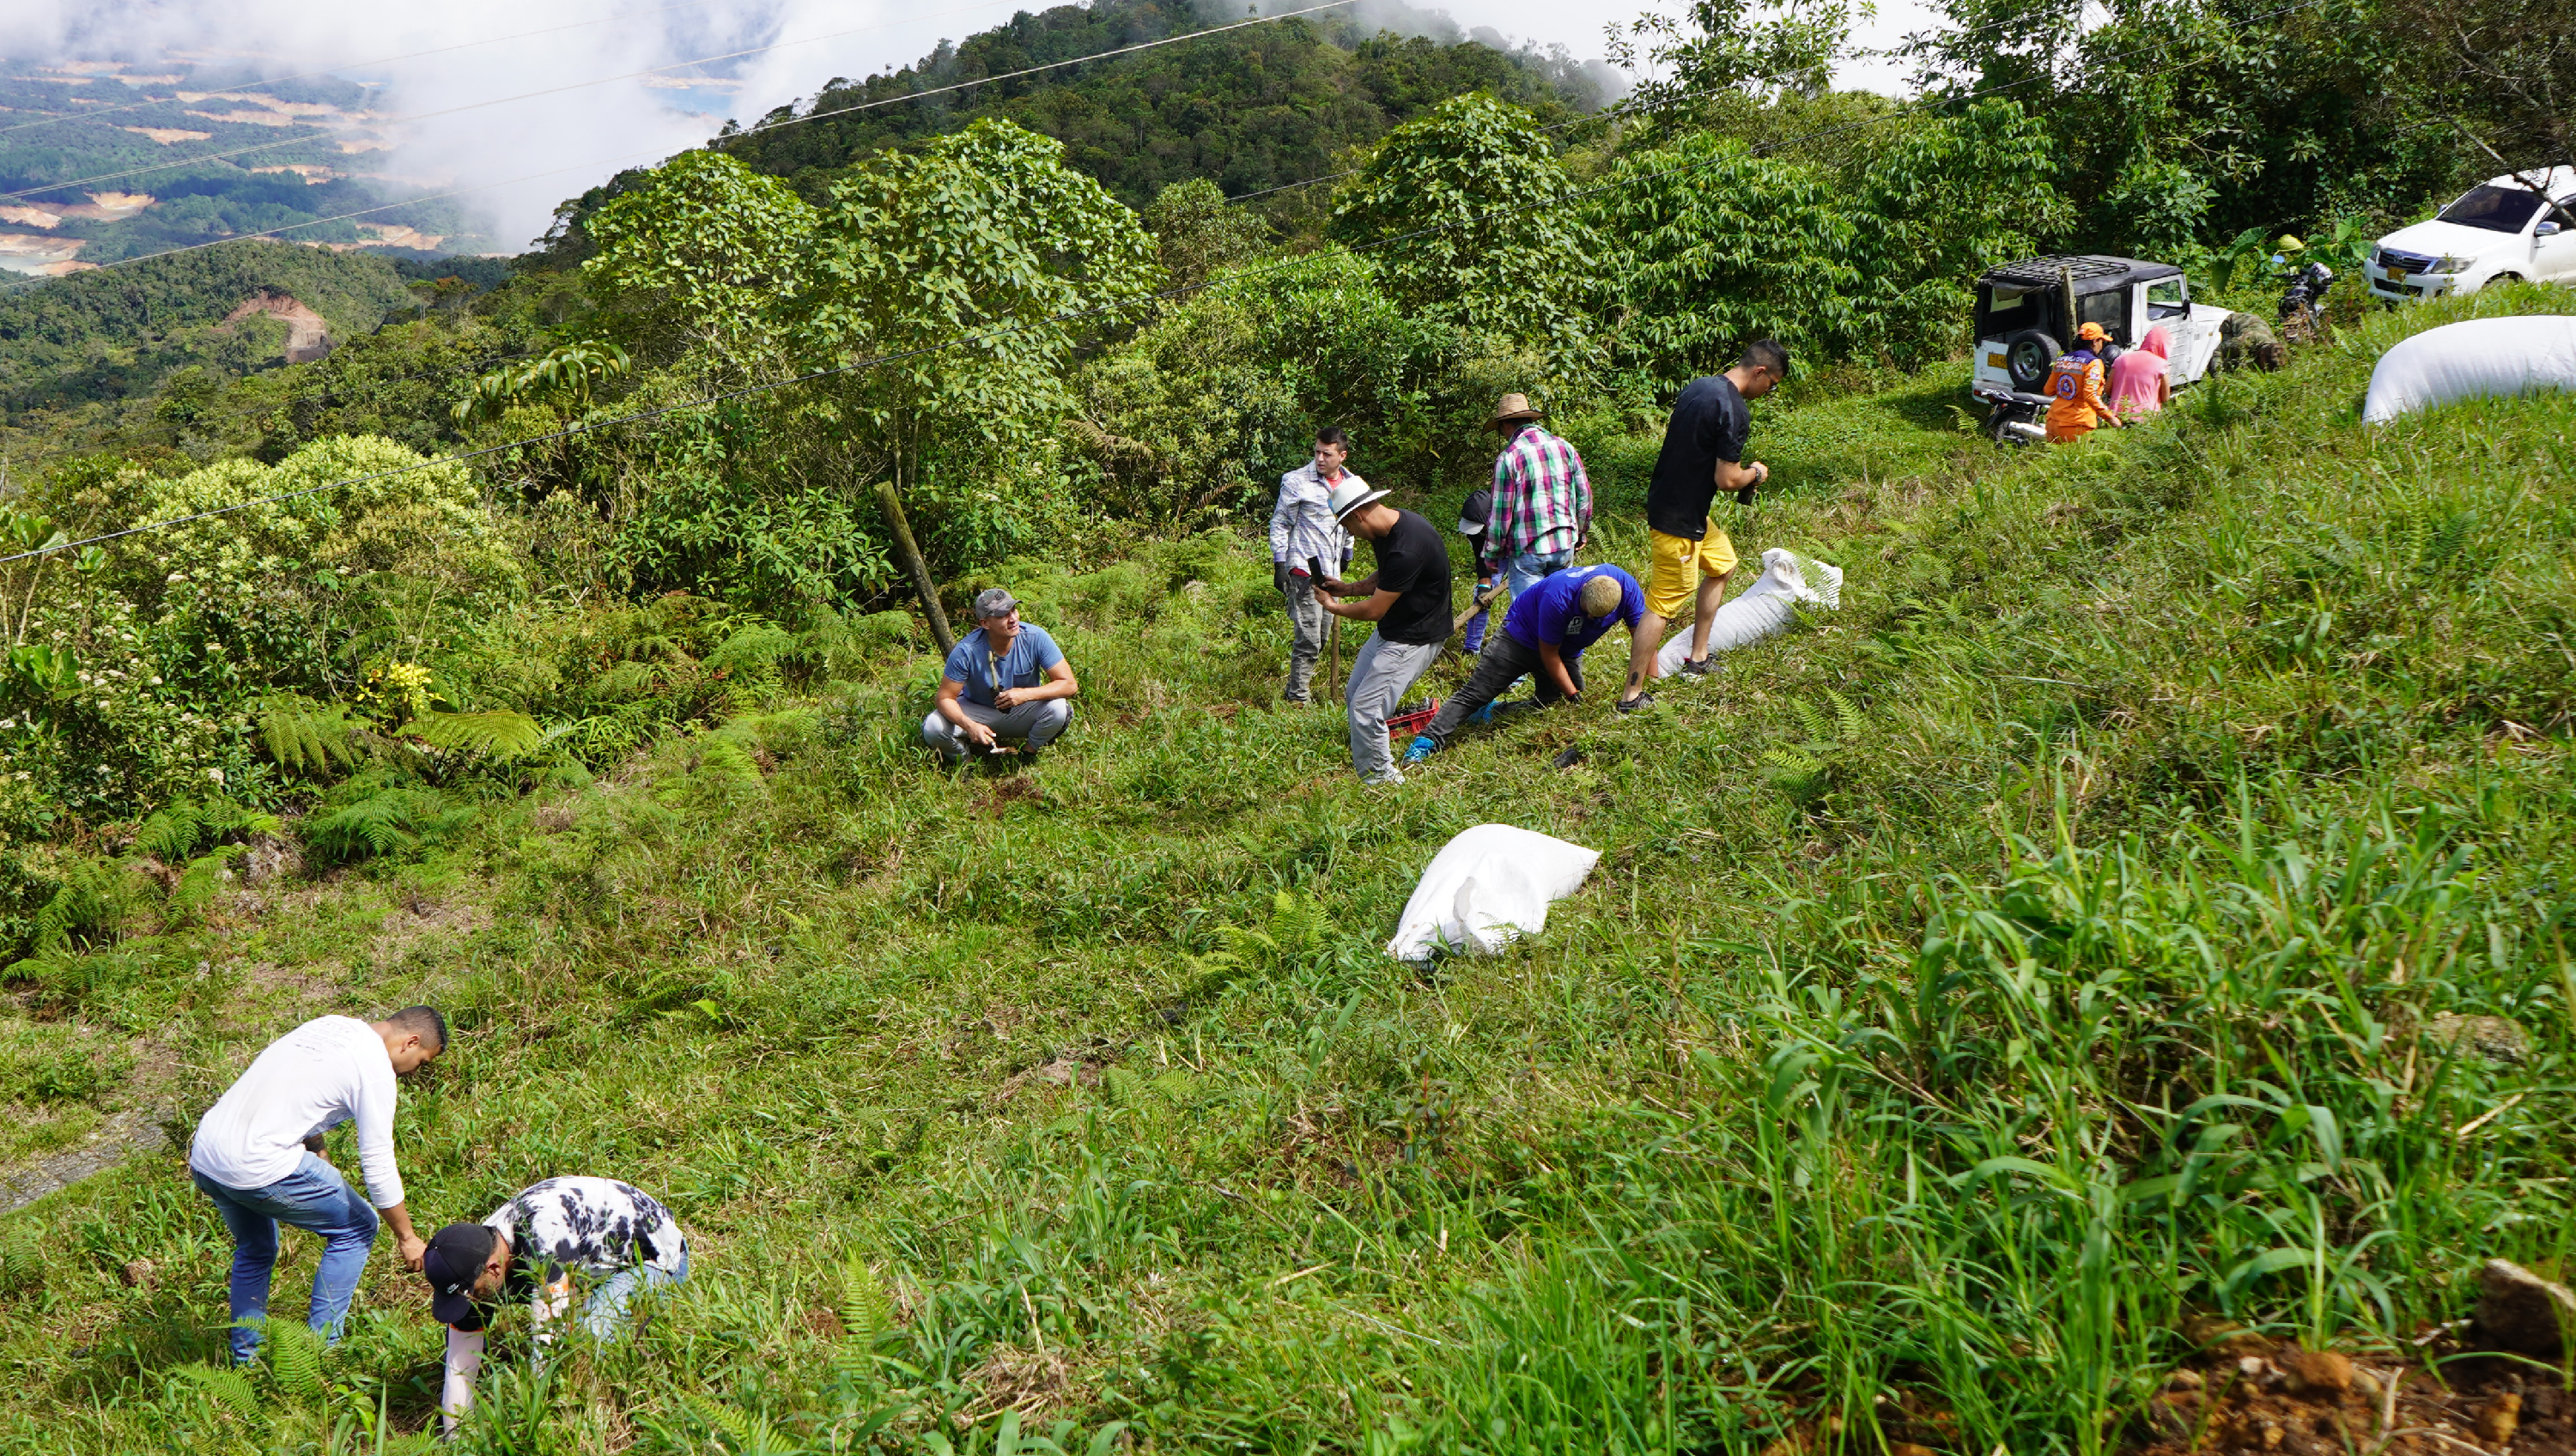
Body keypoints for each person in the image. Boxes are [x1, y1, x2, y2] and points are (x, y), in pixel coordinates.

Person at [187, 1008, 446, 1364]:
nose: (414, 1071)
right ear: (411, 1042)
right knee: (358, 1227)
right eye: (421, 1062)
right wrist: (407, 1237)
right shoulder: (374, 1070)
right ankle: (323, 1354)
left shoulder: (329, 1026)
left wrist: (317, 1148)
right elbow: (377, 1163)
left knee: (256, 1247)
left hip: (207, 1155)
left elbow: (291, 1090)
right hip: (257, 1162)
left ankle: (248, 1361)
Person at [422, 1176, 690, 1435]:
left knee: (587, 1339)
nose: (472, 1301)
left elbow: (548, 1351)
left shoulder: (544, 1237)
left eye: (474, 1293)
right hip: (589, 1251)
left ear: (493, 1268)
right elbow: (459, 1367)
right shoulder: (475, 1256)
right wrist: (456, 1439)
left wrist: (537, 1426)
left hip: (654, 1256)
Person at [1619, 340, 1789, 710]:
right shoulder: (1734, 409)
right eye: (1772, 384)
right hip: (1677, 522)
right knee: (1664, 604)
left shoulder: (1701, 386)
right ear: (1760, 372)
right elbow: (1727, 479)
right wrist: (1755, 473)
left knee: (1724, 565)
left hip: (1682, 507)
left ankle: (1697, 657)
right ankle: (1631, 696)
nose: (1769, 392)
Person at [1401, 564, 1646, 764]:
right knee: (1477, 693)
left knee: (1551, 703)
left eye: (1600, 618)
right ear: (1582, 593)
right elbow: (1548, 654)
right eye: (1589, 614)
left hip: (1566, 649)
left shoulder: (1627, 589)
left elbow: (1644, 639)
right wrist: (1573, 695)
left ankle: (1493, 712)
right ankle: (1427, 741)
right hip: (1519, 640)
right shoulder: (1559, 596)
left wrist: (1653, 682)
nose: (1593, 620)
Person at [1314, 477, 1453, 785]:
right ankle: (1374, 762)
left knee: (1367, 709)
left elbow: (1375, 609)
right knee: (1355, 696)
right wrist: (1347, 589)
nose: (1349, 532)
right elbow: (1387, 577)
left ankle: (1382, 784)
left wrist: (1334, 607)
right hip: (1395, 629)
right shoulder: (1390, 529)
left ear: (1358, 515)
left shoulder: (1408, 547)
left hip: (1415, 636)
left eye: (1347, 525)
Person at [921, 587, 1078, 761]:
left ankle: (1028, 752)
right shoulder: (966, 650)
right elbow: (944, 698)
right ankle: (967, 762)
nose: (1013, 619)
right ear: (985, 624)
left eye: (1013, 610)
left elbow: (1069, 684)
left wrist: (1025, 694)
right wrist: (970, 726)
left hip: (1022, 709)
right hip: (977, 710)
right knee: (933, 727)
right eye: (1002, 615)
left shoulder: (1036, 637)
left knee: (1058, 708)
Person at [1267, 428, 1360, 704]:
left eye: (1327, 454)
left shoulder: (1351, 483)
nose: (1320, 458)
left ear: (1341, 456)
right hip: (1304, 570)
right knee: (1309, 638)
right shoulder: (1296, 481)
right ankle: (1298, 698)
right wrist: (1279, 563)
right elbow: (1281, 522)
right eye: (1317, 451)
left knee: (1323, 634)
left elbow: (1353, 521)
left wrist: (1347, 552)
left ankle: (1306, 689)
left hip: (1333, 573)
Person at [1486, 393, 1591, 598]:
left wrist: (1492, 554)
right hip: (1564, 542)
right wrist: (1581, 531)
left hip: (1528, 550)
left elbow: (1501, 515)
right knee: (1559, 609)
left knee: (1528, 615)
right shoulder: (1565, 447)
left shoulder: (1509, 458)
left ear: (1507, 424)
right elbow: (1584, 496)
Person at [2044, 322, 2124, 442]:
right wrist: (2110, 417)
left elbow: (2048, 390)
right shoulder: (2093, 363)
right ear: (2095, 341)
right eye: (2101, 341)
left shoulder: (2062, 360)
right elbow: (2090, 395)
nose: (2102, 345)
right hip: (2076, 425)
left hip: (2053, 423)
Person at [1455, 486, 1503, 656]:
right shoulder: (1475, 533)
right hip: (1493, 558)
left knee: (1522, 603)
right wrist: (1485, 587)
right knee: (1481, 597)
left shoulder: (1511, 517)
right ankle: (1471, 648)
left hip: (1520, 554)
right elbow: (1481, 557)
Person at [2106, 324, 2172, 416]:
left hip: (2117, 416)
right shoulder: (2162, 365)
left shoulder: (2121, 359)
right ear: (2165, 346)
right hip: (2145, 419)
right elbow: (2165, 398)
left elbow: (2108, 389)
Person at [2217, 310, 2287, 373]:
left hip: (2255, 323)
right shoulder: (2245, 341)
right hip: (2230, 321)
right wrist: (2217, 373)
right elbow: (2218, 350)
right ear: (2262, 355)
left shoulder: (2276, 346)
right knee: (2230, 360)